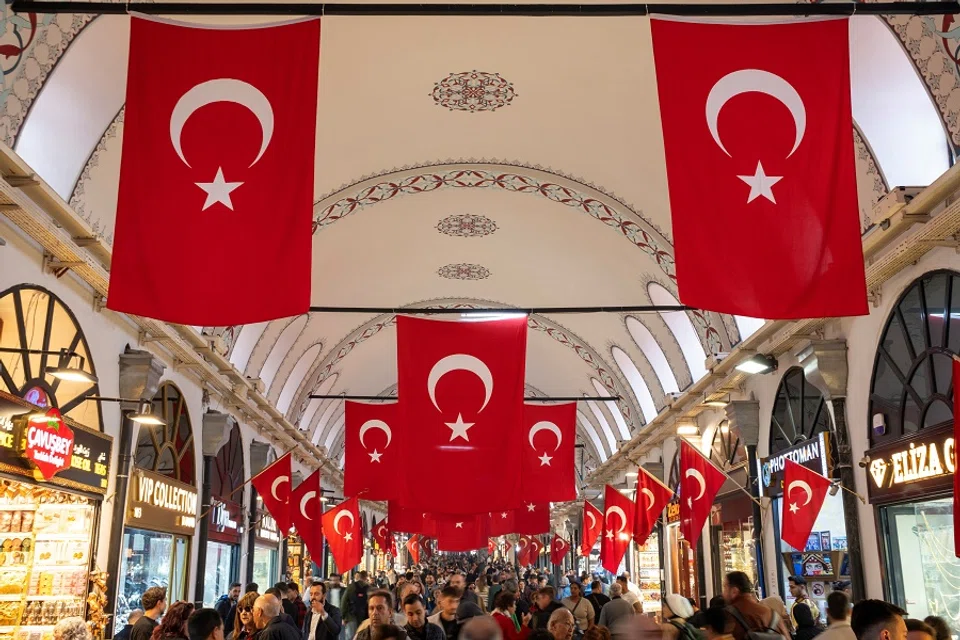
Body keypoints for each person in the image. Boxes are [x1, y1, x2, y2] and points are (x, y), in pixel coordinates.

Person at [721, 572, 790, 640]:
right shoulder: (773, 615)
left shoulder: (728, 615)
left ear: (734, 591)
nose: (723, 593)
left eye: (725, 587)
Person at [342, 572, 371, 640]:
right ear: (366, 577)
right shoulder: (370, 588)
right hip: (365, 617)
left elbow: (344, 601)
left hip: (351, 616)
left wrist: (344, 617)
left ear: (359, 577)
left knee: (351, 637)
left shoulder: (351, 587)